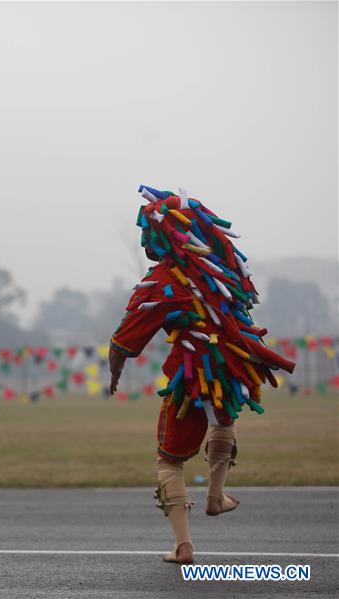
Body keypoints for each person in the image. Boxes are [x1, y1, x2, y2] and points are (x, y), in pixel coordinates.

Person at [108, 185, 295, 564]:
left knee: (170, 460)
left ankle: (183, 546)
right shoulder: (223, 269)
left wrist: (115, 371)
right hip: (233, 371)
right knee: (224, 420)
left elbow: (125, 339)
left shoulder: (161, 282)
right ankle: (215, 494)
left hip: (191, 377)